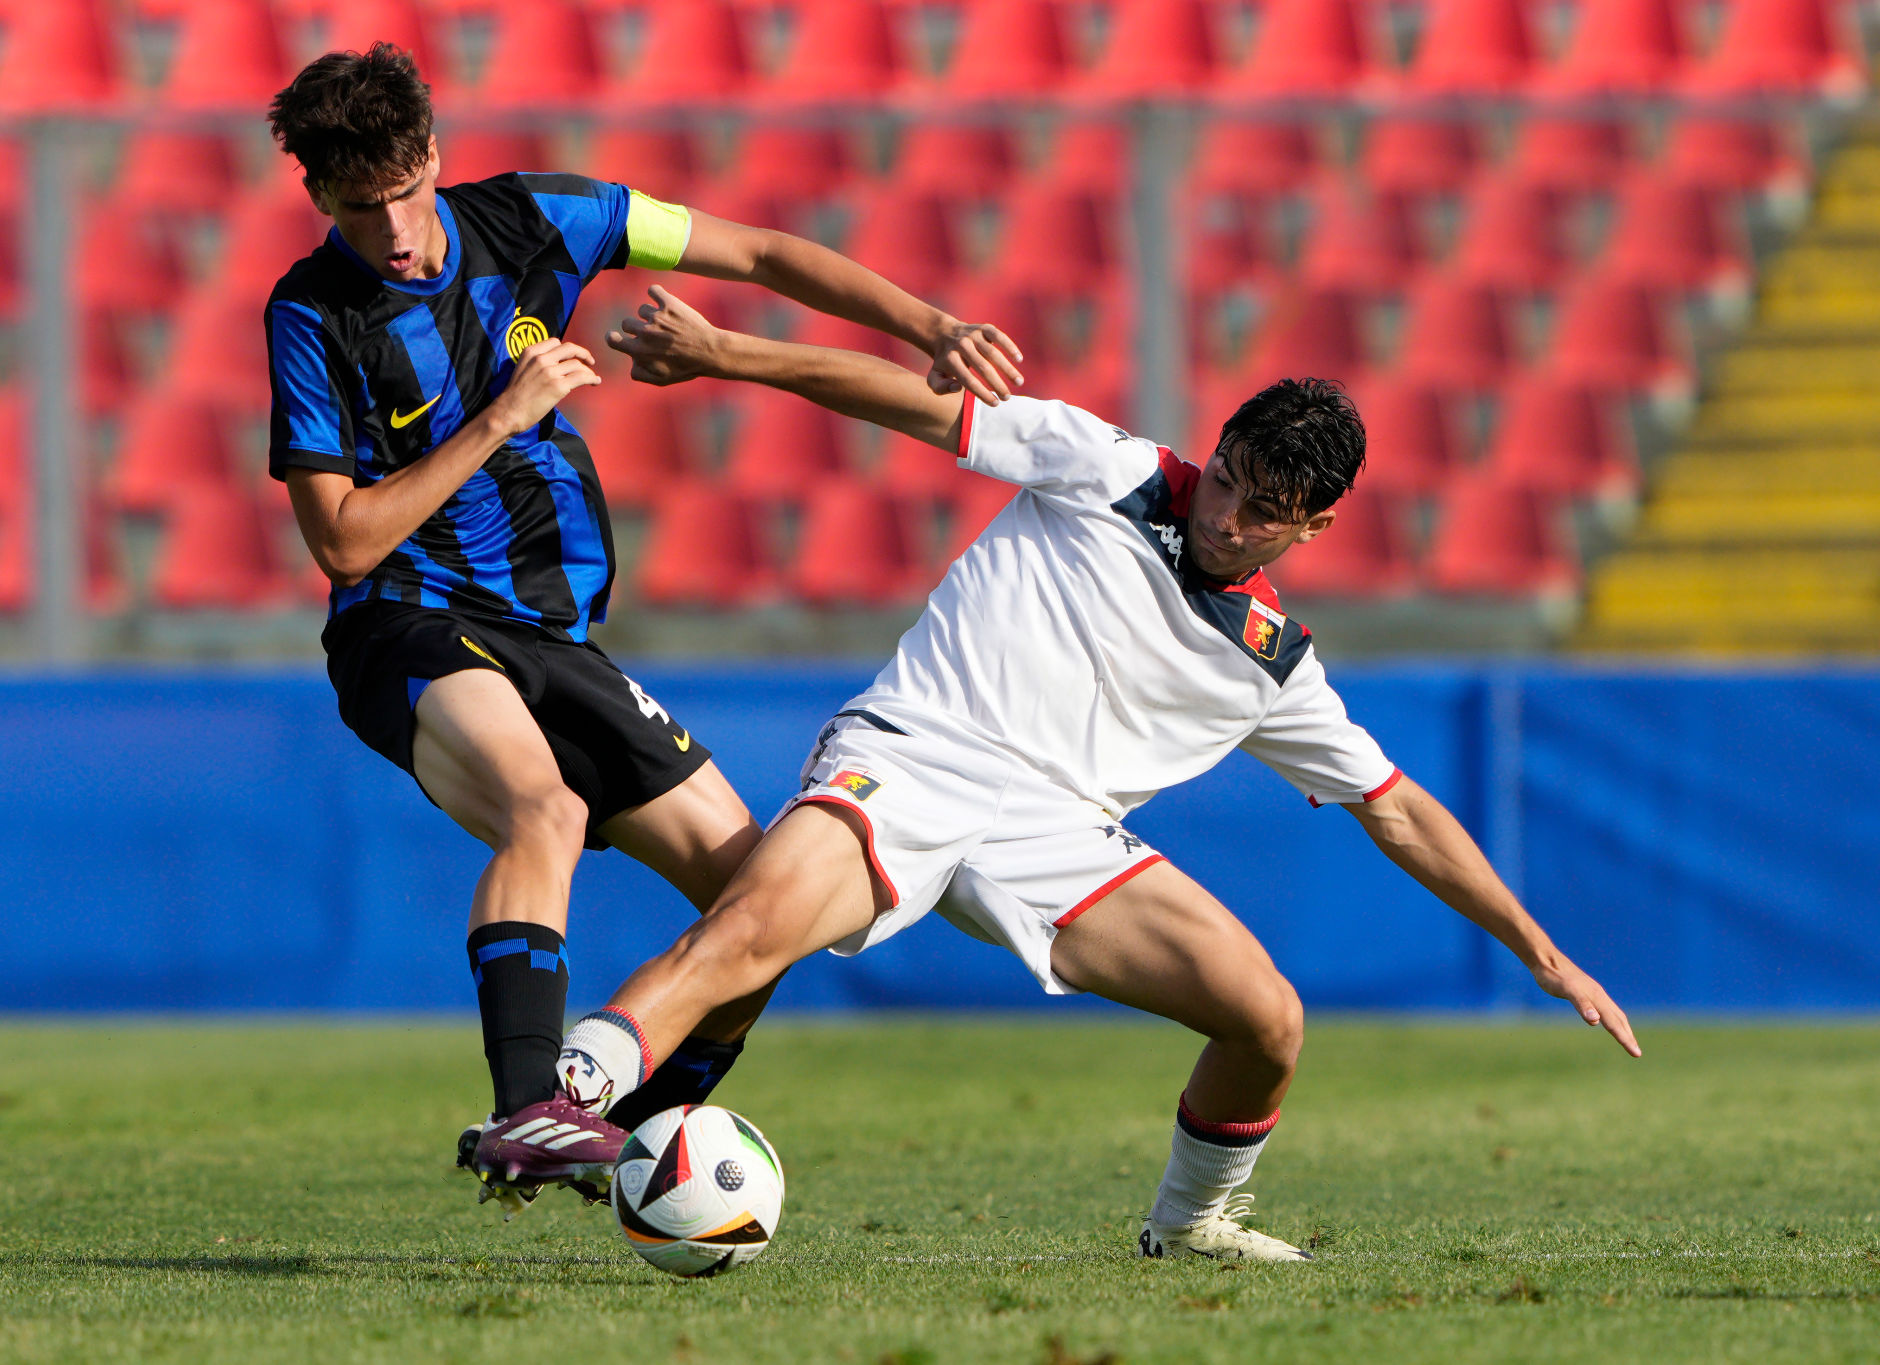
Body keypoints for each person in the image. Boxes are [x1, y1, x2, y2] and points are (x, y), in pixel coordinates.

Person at [551, 287, 1641, 1261]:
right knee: (747, 930)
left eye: (1261, 510)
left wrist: (1539, 954)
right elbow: (905, 404)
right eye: (1224, 479)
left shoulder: (1272, 665)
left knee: (1265, 1020)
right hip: (918, 751)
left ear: (1313, 527)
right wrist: (725, 352)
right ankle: (561, 1103)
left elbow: (1396, 811)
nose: (1224, 515)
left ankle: (1189, 1225)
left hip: (1058, 837)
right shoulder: (1106, 466)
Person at [261, 44, 1024, 1216]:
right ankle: (528, 1104)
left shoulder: (537, 218)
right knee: (543, 804)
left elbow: (761, 253)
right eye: (361, 209)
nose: (396, 232)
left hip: (555, 636)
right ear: (317, 195)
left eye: (406, 194)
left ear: (434, 156)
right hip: (405, 622)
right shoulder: (312, 312)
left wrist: (930, 325)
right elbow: (345, 543)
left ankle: (614, 1137)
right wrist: (501, 418)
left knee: (761, 900)